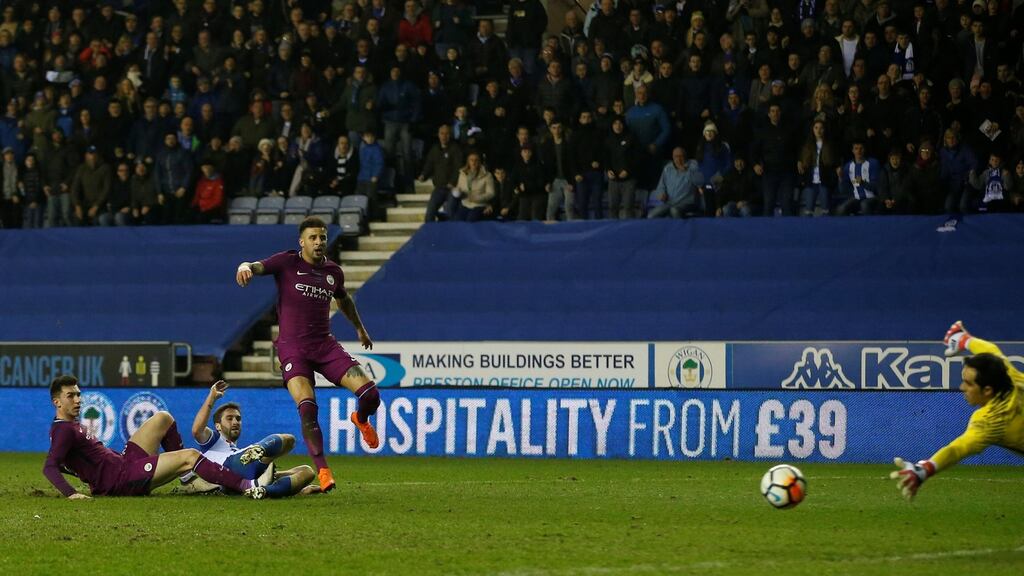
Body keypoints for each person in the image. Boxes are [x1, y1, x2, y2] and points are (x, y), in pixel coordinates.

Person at [235, 217, 379, 493]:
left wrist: (360, 329)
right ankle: (323, 470)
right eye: (312, 237)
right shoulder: (287, 262)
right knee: (308, 407)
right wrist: (245, 267)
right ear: (302, 242)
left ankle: (361, 419)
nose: (318, 242)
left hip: (324, 346)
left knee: (370, 394)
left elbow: (343, 299)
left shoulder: (333, 272)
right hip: (293, 349)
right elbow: (258, 266)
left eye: (322, 237)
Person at [43, 375, 265, 499]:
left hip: (122, 464)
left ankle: (187, 480)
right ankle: (247, 485)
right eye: (70, 396)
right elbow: (50, 466)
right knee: (190, 455)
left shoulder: (70, 426)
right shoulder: (63, 430)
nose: (78, 399)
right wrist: (71, 494)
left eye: (79, 394)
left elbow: (66, 461)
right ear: (57, 402)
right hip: (119, 480)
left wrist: (82, 471)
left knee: (163, 418)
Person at [891, 321, 1024, 500]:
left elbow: (958, 448)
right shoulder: (1005, 373)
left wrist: (925, 470)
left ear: (987, 390)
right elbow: (990, 349)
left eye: (969, 383)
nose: (962, 387)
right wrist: (963, 339)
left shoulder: (990, 422)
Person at [189, 380, 316, 497]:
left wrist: (301, 489)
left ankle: (263, 490)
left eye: (238, 419)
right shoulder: (214, 441)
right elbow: (197, 430)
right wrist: (212, 397)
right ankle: (260, 449)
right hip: (230, 466)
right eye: (229, 418)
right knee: (289, 439)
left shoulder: (234, 449)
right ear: (218, 426)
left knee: (307, 471)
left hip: (247, 471)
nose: (235, 422)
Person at [647, 147, 705, 218]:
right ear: (673, 157)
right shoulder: (668, 168)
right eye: (676, 156)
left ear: (685, 156)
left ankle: (681, 228)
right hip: (670, 203)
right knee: (651, 215)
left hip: (687, 203)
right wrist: (661, 193)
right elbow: (661, 186)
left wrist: (688, 171)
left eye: (681, 156)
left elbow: (701, 182)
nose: (678, 159)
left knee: (674, 210)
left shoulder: (693, 166)